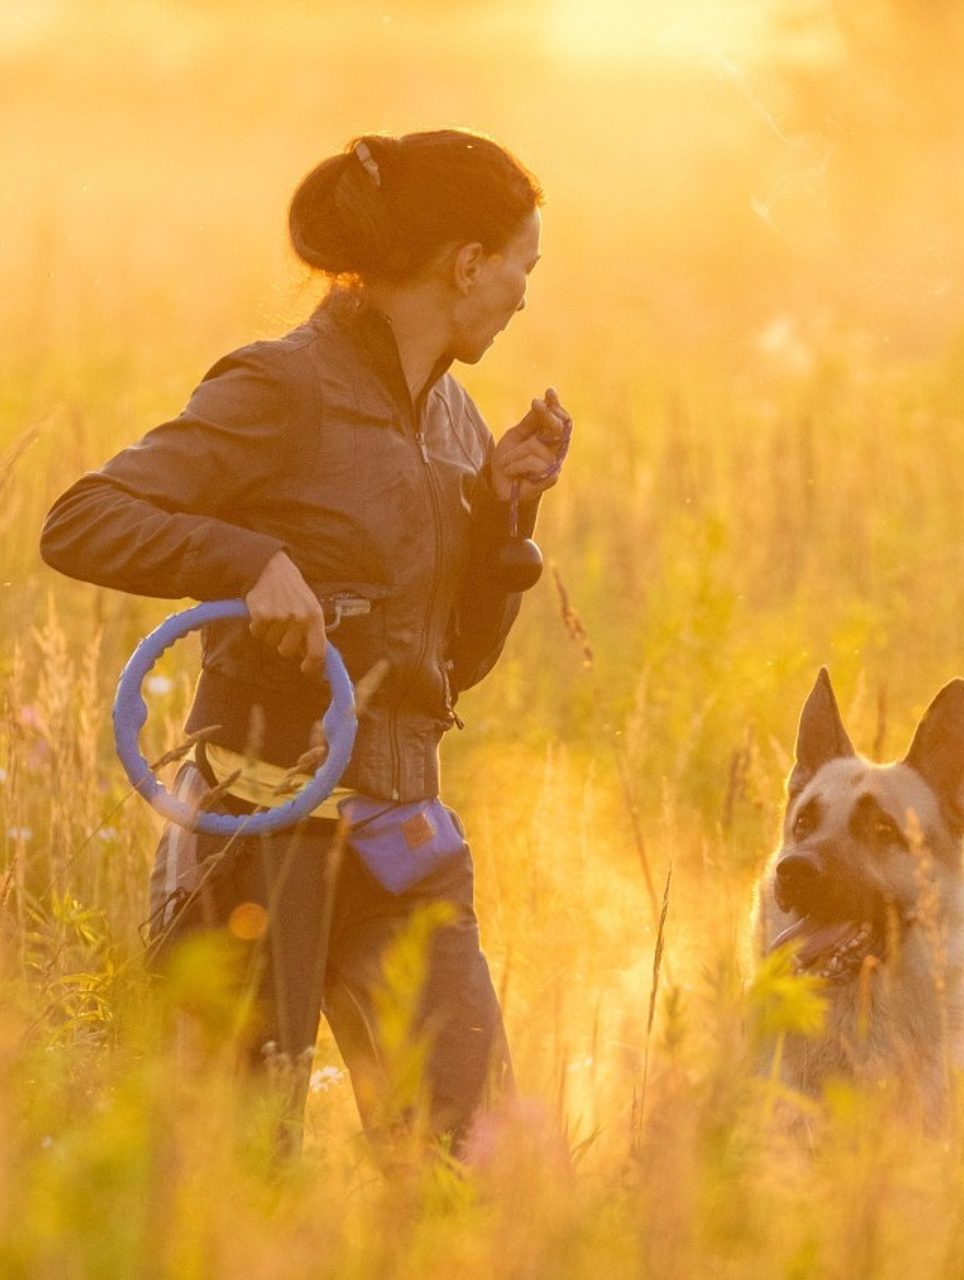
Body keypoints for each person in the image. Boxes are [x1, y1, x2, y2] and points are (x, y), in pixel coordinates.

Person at [39, 129, 570, 1161]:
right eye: (521, 267)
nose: (522, 294)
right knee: (233, 1178)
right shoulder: (280, 388)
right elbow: (81, 517)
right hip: (255, 830)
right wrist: (241, 555)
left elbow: (448, 669)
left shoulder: (459, 423)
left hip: (402, 840)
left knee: (477, 1167)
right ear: (467, 263)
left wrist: (502, 521)